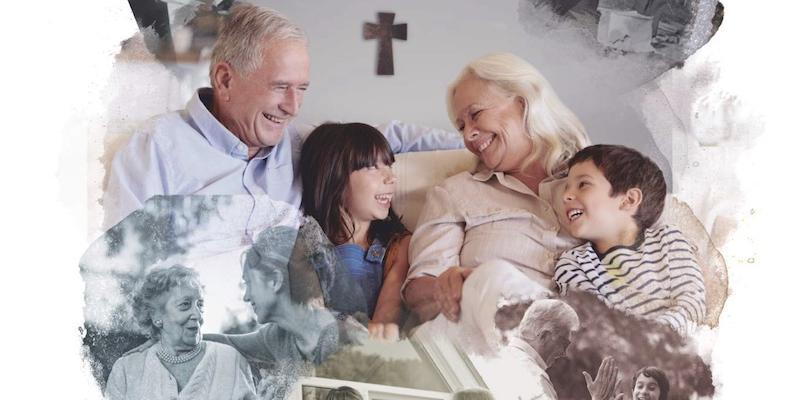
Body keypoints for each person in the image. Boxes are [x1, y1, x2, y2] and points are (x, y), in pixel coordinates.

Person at [103, 2, 463, 229]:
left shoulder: (299, 143)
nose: (293, 106)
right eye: (279, 87)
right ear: (225, 79)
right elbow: (123, 271)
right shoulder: (156, 149)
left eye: (302, 88)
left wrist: (483, 143)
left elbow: (391, 135)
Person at [403, 52, 590, 323]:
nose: (468, 135)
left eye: (475, 114)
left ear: (522, 102)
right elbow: (418, 293)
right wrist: (455, 286)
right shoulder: (455, 193)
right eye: (461, 126)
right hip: (493, 340)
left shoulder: (598, 178)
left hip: (585, 347)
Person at [553, 144, 706, 335]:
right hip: (627, 356)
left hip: (681, 346)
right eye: (567, 188)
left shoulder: (669, 240)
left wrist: (658, 337)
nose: (566, 195)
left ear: (628, 200)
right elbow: (597, 326)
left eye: (583, 184)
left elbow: (693, 303)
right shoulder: (573, 264)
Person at [204, 224, 365, 399]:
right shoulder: (277, 337)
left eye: (249, 283)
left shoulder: (348, 337)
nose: (247, 296)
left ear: (275, 280)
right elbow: (228, 343)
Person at [300, 122, 411, 340]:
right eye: (372, 167)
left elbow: (384, 322)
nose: (391, 177)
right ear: (334, 175)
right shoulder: (302, 242)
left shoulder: (398, 246)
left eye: (389, 165)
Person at [105, 265, 256, 400]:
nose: (197, 315)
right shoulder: (126, 369)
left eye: (200, 305)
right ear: (156, 317)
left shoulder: (230, 360)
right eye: (185, 305)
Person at [480, 299, 620, 400]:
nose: (563, 353)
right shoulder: (535, 379)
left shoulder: (491, 359)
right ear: (545, 335)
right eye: (563, 343)